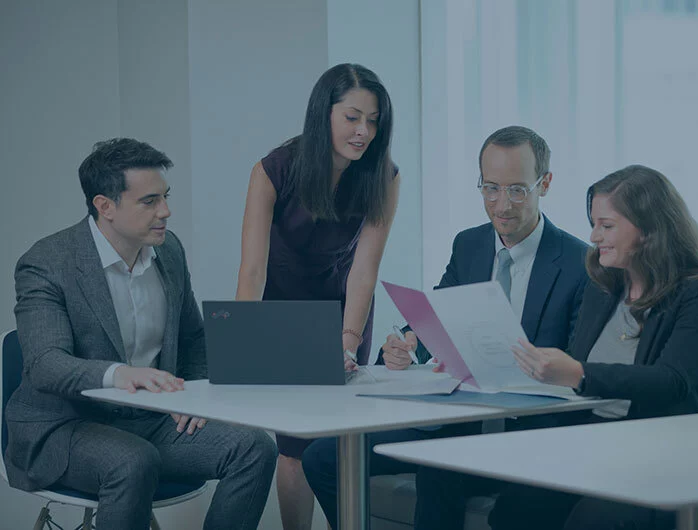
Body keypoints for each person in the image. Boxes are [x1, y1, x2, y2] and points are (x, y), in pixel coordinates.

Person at [414, 164, 698, 530]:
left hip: (663, 459)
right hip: (589, 446)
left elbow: (671, 381)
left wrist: (577, 373)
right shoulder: (603, 283)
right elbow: (569, 372)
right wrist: (472, 362)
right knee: (514, 509)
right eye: (593, 223)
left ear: (649, 230)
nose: (594, 236)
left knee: (594, 520)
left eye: (607, 226)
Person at [302, 125, 589, 529]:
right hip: (456, 419)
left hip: (526, 432)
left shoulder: (580, 262)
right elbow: (436, 314)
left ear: (545, 183)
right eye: (490, 188)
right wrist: (407, 342)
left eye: (517, 190)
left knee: (439, 468)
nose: (502, 205)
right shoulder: (469, 245)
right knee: (322, 458)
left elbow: (580, 365)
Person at [4, 138, 278, 530]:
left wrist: (196, 397)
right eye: (149, 201)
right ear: (105, 206)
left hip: (149, 419)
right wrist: (121, 374)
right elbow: (46, 366)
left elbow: (192, 338)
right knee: (133, 460)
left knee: (253, 447)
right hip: (65, 425)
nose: (166, 211)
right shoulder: (47, 262)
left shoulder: (169, 252)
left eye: (165, 197)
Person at [236, 63, 400, 529]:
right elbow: (252, 270)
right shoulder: (273, 170)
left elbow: (365, 271)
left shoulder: (383, 176)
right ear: (322, 112)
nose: (363, 131)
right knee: (294, 448)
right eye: (352, 117)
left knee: (341, 444)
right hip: (285, 314)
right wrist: (244, 346)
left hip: (346, 309)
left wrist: (348, 341)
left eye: (373, 120)